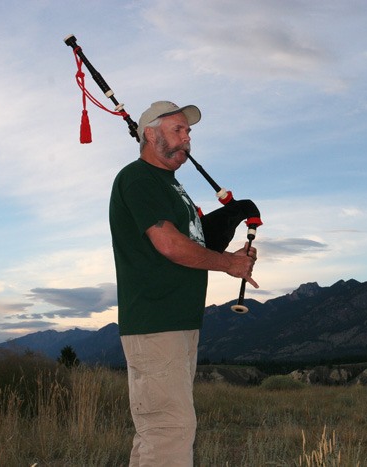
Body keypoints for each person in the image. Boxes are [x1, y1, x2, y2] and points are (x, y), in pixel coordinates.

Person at [109, 101, 257, 466]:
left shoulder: (170, 185)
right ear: (150, 133)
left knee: (158, 434)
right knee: (169, 430)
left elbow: (194, 241)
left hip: (178, 321)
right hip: (156, 321)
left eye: (188, 132)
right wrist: (229, 265)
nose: (187, 139)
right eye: (179, 130)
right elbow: (171, 245)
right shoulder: (138, 178)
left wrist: (232, 229)